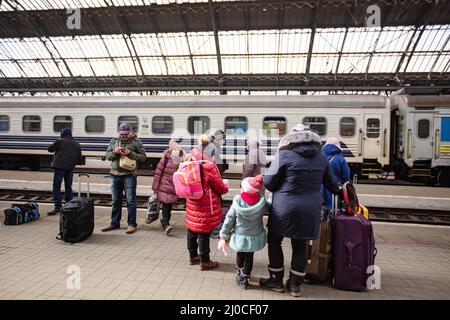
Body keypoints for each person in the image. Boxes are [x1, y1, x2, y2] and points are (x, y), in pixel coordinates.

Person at [259, 123, 341, 297]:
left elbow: (268, 182)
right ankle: (295, 285)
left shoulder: (283, 155)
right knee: (300, 245)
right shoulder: (322, 157)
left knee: (275, 241)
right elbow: (333, 186)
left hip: (284, 208)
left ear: (290, 139)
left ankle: (275, 280)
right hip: (310, 210)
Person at [218, 175, 267, 290]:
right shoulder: (261, 202)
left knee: (240, 254)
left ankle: (239, 274)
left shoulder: (238, 202)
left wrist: (224, 236)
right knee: (249, 256)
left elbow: (229, 220)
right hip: (254, 236)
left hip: (240, 236)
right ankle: (246, 278)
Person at [185, 146, 229, 270]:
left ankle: (193, 256)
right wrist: (225, 186)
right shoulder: (209, 166)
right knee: (203, 232)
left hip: (192, 203)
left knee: (192, 229)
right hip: (205, 204)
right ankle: (205, 261)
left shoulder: (188, 162)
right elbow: (220, 188)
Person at [102, 122, 146, 234]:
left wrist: (130, 153)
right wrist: (115, 152)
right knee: (115, 201)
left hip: (129, 175)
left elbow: (143, 158)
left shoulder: (136, 142)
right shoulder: (114, 141)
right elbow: (107, 156)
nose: (124, 136)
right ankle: (114, 222)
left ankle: (132, 224)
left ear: (130, 132)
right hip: (114, 174)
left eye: (126, 134)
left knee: (131, 201)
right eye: (122, 134)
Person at [147, 140, 186, 235]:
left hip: (174, 187)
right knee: (166, 204)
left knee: (168, 205)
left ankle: (165, 222)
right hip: (164, 186)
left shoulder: (182, 159)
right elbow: (158, 172)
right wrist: (155, 187)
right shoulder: (166, 158)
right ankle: (165, 224)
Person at [47, 128, 82, 215]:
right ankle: (69, 206)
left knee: (56, 187)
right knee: (68, 186)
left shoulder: (60, 141)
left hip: (59, 167)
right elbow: (79, 158)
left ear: (62, 134)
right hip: (70, 167)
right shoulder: (76, 143)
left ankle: (58, 207)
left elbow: (50, 149)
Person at [321, 137, 351, 214]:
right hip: (335, 189)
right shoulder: (340, 159)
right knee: (334, 211)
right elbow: (346, 176)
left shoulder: (320, 158)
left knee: (321, 210)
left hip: (320, 188)